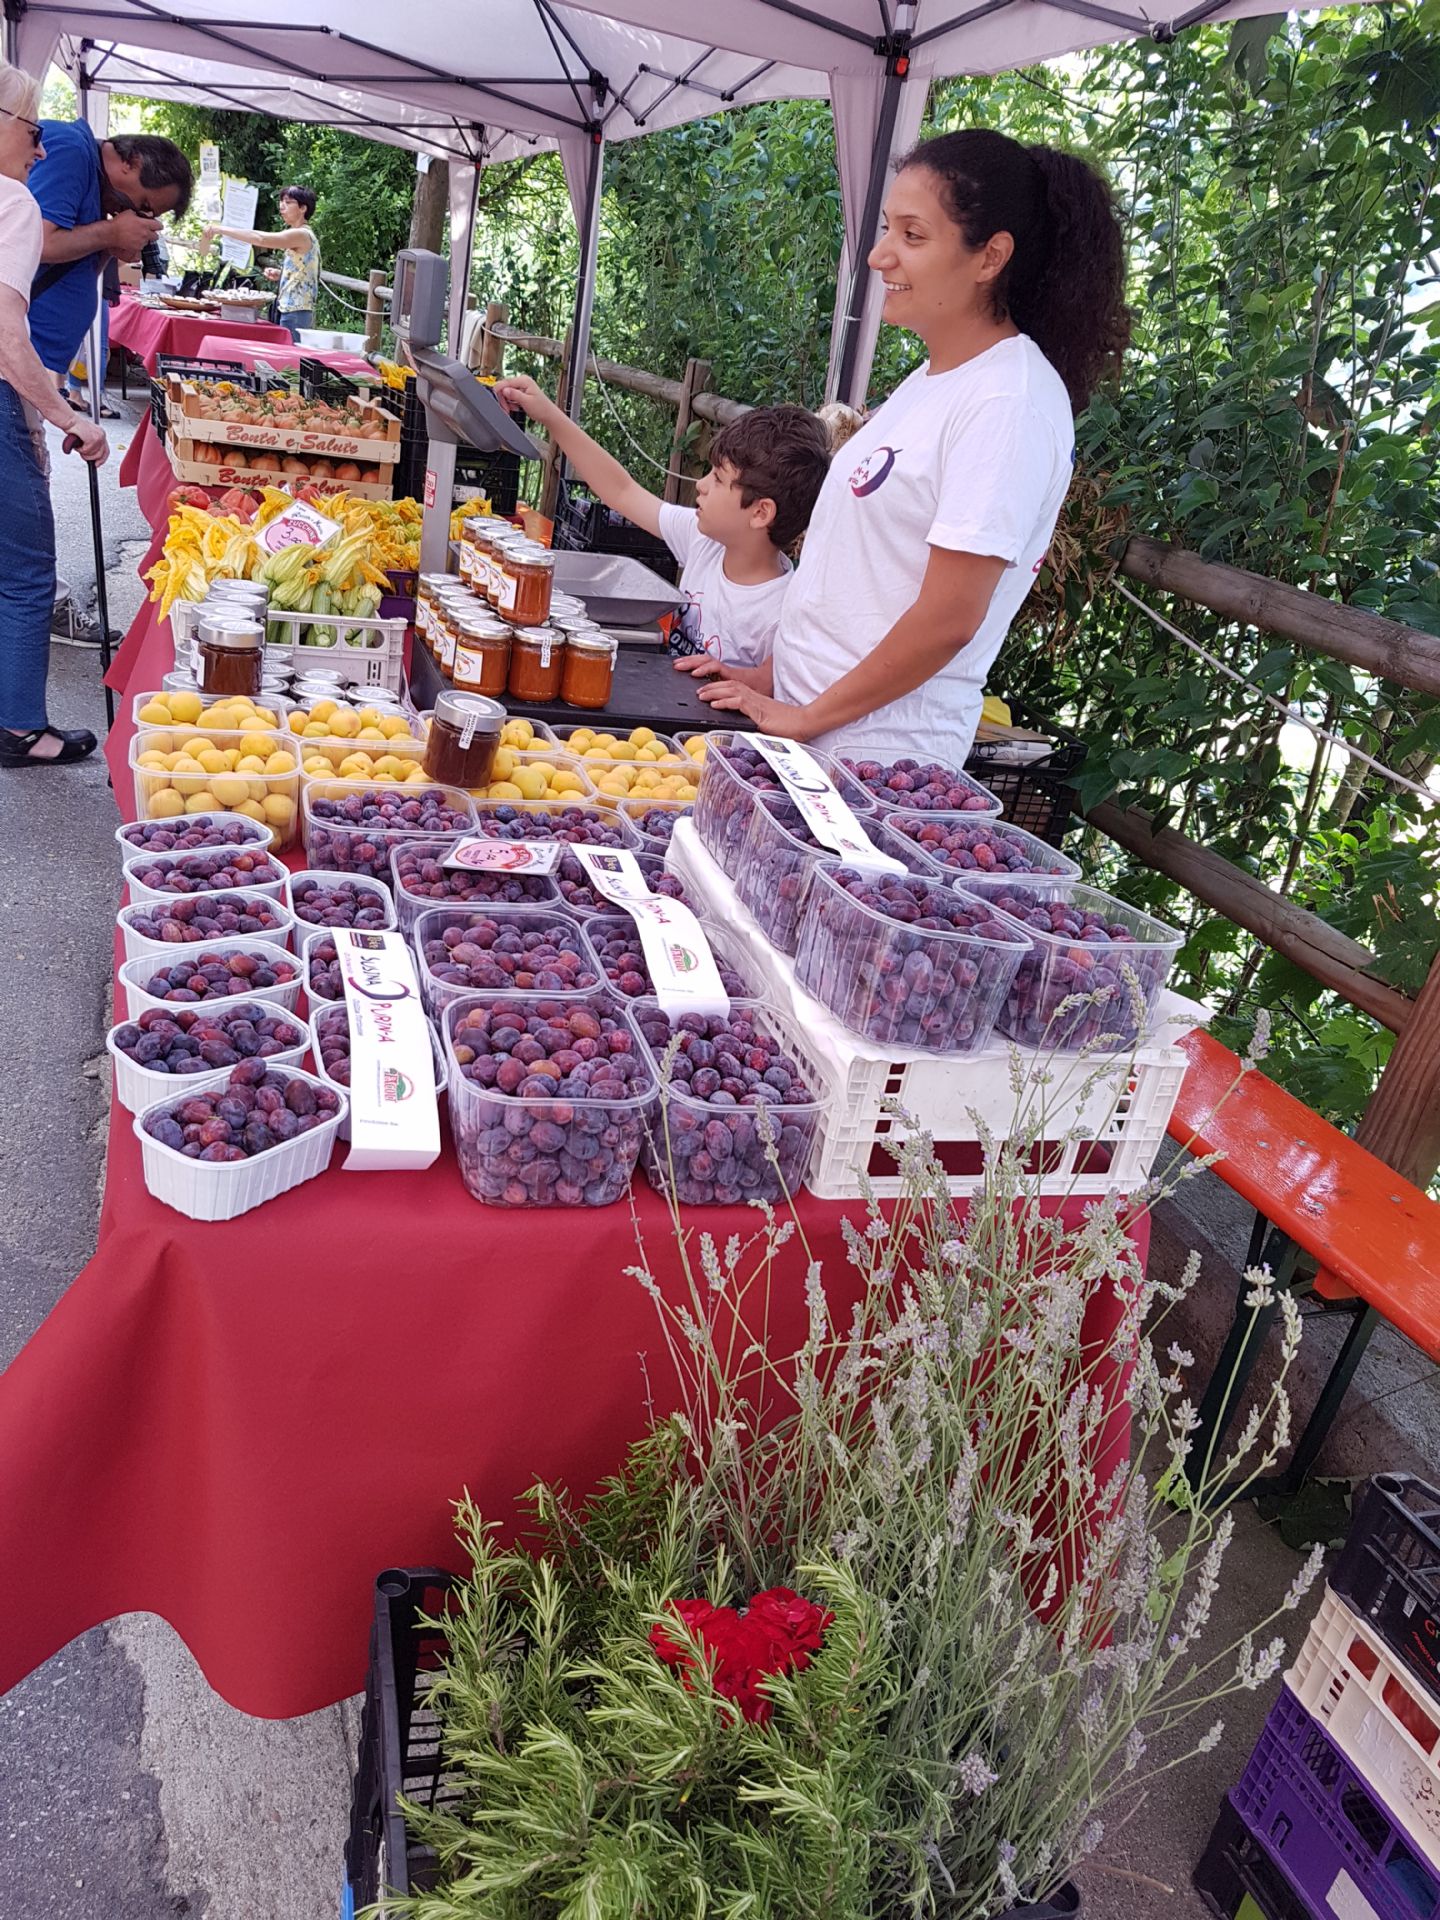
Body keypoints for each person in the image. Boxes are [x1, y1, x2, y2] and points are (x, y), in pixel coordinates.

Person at [688, 128, 1130, 766]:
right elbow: (861, 577)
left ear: (990, 257)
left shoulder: (1008, 402)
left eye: (912, 235)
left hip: (875, 760)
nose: (879, 256)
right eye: (887, 229)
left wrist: (808, 717)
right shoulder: (931, 379)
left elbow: (950, 619)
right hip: (808, 730)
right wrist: (770, 678)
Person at [494, 373, 831, 671]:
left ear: (760, 513)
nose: (701, 485)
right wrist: (549, 415)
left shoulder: (780, 612)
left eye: (717, 479)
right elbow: (621, 491)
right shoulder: (705, 542)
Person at [0, 63, 109, 768]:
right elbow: (7, 339)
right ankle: (19, 728)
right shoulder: (11, 203)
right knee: (26, 569)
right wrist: (68, 417)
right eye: (33, 132)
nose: (41, 151)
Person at [28, 127, 191, 383]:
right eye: (143, 205)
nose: (136, 213)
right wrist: (111, 233)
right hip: (15, 354)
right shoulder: (72, 151)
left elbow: (73, 267)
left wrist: (110, 248)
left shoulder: (95, 183)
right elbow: (36, 243)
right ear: (132, 162)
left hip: (33, 360)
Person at [202, 185, 319, 341]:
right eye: (281, 201)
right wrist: (281, 275)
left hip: (296, 311)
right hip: (290, 308)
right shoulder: (302, 234)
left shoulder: (301, 234)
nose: (282, 206)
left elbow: (261, 239)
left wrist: (221, 230)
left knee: (291, 354)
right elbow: (304, 269)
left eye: (288, 202)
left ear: (303, 208)